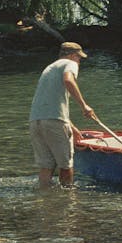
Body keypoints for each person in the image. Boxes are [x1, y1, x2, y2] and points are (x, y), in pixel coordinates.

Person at [29, 41, 96, 188]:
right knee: (66, 165)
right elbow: (68, 80)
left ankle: (45, 198)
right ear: (72, 55)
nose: (79, 61)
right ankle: (68, 200)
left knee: (46, 166)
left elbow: (51, 105)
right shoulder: (70, 64)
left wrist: (72, 127)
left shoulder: (49, 68)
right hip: (54, 122)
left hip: (36, 121)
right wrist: (84, 106)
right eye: (79, 58)